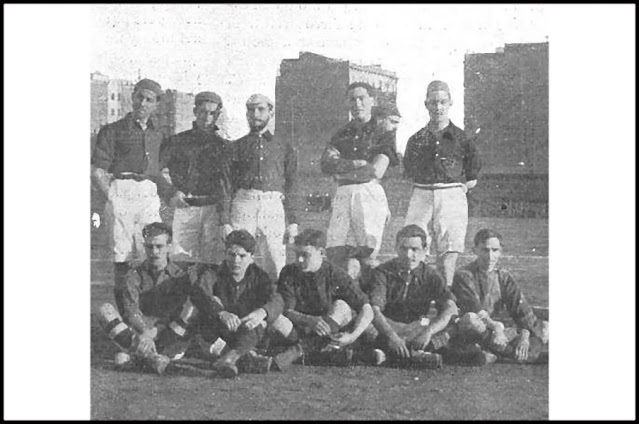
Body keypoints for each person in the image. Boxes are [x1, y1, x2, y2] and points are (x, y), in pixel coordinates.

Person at [91, 78, 176, 291]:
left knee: (153, 248)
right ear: (132, 97)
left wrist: (173, 194)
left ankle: (149, 304)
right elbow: (97, 171)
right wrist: (112, 197)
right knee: (123, 253)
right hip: (121, 189)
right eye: (140, 97)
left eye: (149, 100)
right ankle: (125, 312)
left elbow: (158, 172)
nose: (143, 104)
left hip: (148, 193)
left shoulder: (159, 135)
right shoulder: (112, 130)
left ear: (156, 104)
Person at [403, 80, 482, 286]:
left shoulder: (463, 138)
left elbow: (472, 174)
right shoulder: (416, 138)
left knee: (448, 252)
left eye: (442, 102)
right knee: (414, 248)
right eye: (433, 102)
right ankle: (417, 299)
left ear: (450, 103)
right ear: (426, 104)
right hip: (422, 194)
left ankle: (446, 300)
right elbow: (409, 170)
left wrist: (460, 188)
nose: (438, 107)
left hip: (451, 195)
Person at [97, 222, 197, 375]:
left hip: (167, 336)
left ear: (169, 246)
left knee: (191, 311)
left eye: (159, 246)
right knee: (104, 309)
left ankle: (136, 357)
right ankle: (154, 359)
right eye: (149, 247)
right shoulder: (133, 274)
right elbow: (131, 311)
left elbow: (174, 314)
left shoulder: (180, 276)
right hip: (139, 335)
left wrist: (152, 334)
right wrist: (145, 333)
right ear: (144, 247)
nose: (154, 252)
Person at [320, 82, 399, 269]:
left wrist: (342, 169)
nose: (357, 104)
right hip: (343, 194)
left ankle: (370, 297)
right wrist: (358, 163)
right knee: (336, 252)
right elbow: (326, 164)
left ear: (373, 100)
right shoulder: (341, 133)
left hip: (368, 192)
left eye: (361, 98)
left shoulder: (383, 131)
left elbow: (376, 170)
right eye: (352, 99)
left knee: (368, 254)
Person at [273, 229, 374, 369]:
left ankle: (297, 352)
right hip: (299, 330)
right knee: (275, 318)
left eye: (305, 255)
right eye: (296, 254)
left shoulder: (335, 273)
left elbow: (367, 308)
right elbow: (287, 310)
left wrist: (352, 336)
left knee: (342, 307)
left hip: (328, 331)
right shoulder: (288, 272)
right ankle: (322, 354)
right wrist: (309, 320)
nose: (299, 260)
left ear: (321, 253)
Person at [189, 229, 285, 378]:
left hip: (247, 332)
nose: (236, 261)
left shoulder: (260, 276)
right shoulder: (213, 273)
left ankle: (231, 358)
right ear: (225, 254)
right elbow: (199, 294)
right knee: (202, 322)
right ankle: (245, 358)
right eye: (231, 255)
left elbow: (277, 299)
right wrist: (221, 313)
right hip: (221, 331)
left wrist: (262, 312)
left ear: (252, 257)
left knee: (260, 322)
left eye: (242, 256)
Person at [365, 225, 459, 368]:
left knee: (455, 323)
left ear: (424, 249)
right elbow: (375, 310)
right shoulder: (383, 272)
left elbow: (450, 307)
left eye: (414, 249)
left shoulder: (430, 274)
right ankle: (417, 355)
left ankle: (389, 355)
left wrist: (428, 332)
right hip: (388, 326)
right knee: (363, 323)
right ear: (396, 248)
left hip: (417, 327)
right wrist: (391, 337)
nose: (408, 255)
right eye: (404, 248)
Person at [227, 94, 299, 281]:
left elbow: (292, 185)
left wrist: (293, 221)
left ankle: (274, 306)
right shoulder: (236, 146)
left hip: (272, 204)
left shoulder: (284, 146)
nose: (255, 114)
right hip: (244, 202)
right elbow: (226, 185)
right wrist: (224, 220)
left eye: (260, 109)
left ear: (271, 112)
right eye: (251, 110)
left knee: (275, 258)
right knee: (239, 256)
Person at [450, 228, 549, 363]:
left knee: (545, 328)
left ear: (500, 252)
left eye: (495, 250)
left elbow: (521, 310)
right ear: (475, 251)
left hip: (497, 333)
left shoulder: (503, 276)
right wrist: (496, 328)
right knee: (471, 320)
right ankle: (519, 355)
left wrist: (525, 335)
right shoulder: (464, 275)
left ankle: (494, 353)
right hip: (477, 329)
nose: (490, 256)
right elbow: (475, 310)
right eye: (485, 250)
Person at [160, 91, 232, 266]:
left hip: (213, 209)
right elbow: (154, 172)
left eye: (212, 113)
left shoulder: (224, 146)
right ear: (195, 111)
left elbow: (228, 184)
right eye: (203, 112)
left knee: (212, 262)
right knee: (181, 260)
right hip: (186, 207)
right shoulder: (176, 142)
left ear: (218, 115)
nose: (207, 117)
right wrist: (170, 194)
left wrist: (224, 216)